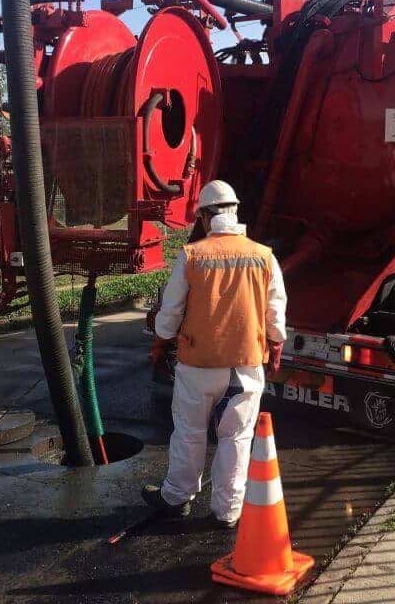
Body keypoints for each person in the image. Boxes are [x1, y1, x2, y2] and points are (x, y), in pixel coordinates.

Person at [143, 180, 287, 529]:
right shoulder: (263, 256)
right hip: (245, 366)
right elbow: (275, 312)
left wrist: (161, 341)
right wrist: (276, 344)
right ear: (234, 211)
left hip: (197, 364)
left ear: (206, 216)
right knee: (236, 437)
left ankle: (177, 498)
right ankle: (227, 511)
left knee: (189, 432)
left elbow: (171, 310)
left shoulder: (192, 256)